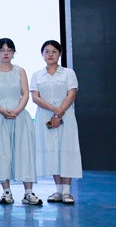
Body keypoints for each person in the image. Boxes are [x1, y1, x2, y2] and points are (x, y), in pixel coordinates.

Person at [0, 38, 42, 205]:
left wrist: (17, 110)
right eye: (2, 50)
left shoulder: (20, 70)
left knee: (24, 152)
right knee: (2, 153)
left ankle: (28, 192)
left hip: (19, 116)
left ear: (13, 53)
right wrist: (1, 110)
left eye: (9, 50)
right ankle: (6, 192)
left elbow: (25, 93)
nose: (5, 53)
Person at [30, 40, 82, 205]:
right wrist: (54, 110)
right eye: (47, 51)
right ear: (42, 55)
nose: (50, 54)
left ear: (60, 54)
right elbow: (35, 97)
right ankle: (58, 190)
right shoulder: (37, 75)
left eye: (54, 51)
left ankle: (67, 191)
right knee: (52, 151)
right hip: (45, 116)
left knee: (66, 149)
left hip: (65, 115)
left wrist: (59, 114)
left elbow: (71, 94)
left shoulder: (68, 73)